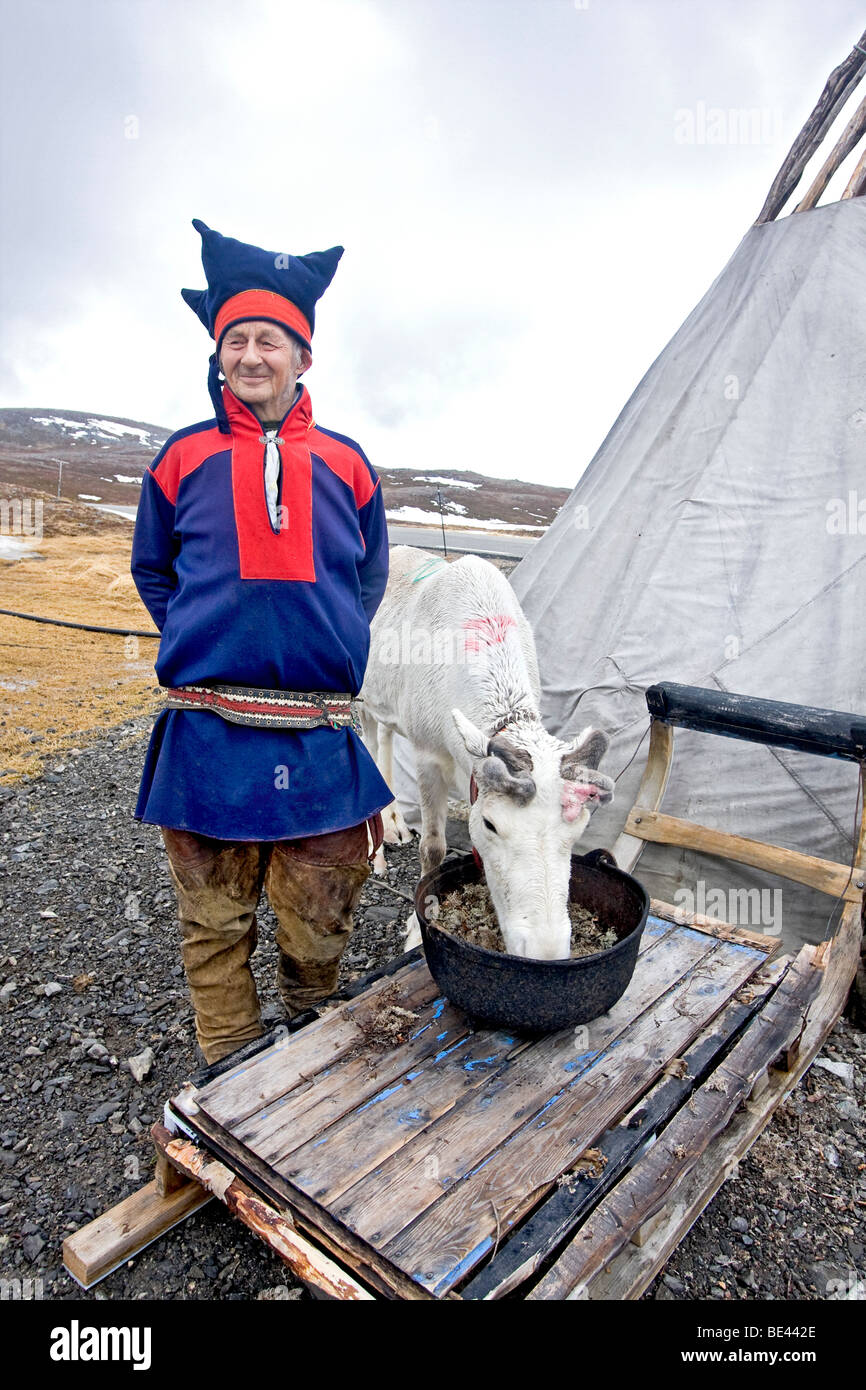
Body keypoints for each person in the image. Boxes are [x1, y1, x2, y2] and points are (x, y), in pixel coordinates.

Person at [130, 219, 391, 1064]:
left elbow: (366, 581)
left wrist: (330, 636)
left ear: (302, 357)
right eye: (233, 340)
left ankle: (312, 1048)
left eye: (268, 340)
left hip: (316, 737)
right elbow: (154, 569)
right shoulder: (182, 459)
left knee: (321, 915)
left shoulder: (350, 468)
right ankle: (231, 1064)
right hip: (207, 734)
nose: (249, 356)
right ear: (217, 354)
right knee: (213, 923)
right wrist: (205, 635)